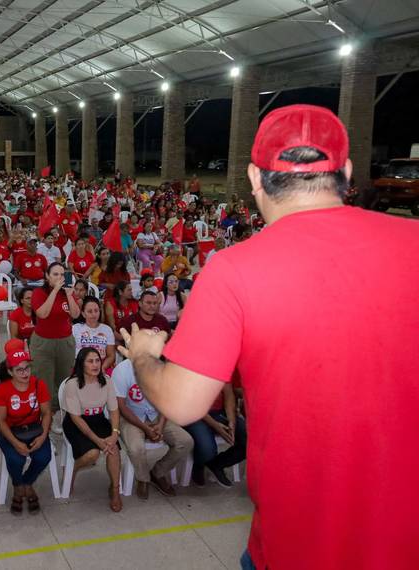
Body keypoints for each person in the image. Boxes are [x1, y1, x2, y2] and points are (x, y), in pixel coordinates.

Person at [122, 104, 419, 569]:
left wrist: (143, 357)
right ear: (346, 171)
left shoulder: (234, 269)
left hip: (295, 541)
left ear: (255, 178)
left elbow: (182, 404)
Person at [111, 357, 191, 500]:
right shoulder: (122, 370)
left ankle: (158, 473)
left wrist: (160, 425)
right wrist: (145, 428)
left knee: (185, 441)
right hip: (131, 416)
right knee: (136, 448)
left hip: (157, 414)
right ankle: (143, 478)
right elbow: (121, 406)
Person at [61, 347, 122, 512]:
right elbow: (76, 419)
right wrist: (98, 441)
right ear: (82, 364)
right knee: (92, 454)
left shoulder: (107, 381)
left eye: (97, 360)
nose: (95, 365)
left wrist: (114, 434)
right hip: (77, 423)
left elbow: (114, 410)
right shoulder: (72, 385)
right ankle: (73, 469)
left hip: (98, 420)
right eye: (90, 361)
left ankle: (115, 490)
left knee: (113, 448)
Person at [0, 349, 52, 515]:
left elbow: (47, 413)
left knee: (44, 456)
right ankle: (19, 487)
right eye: (19, 370)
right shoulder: (3, 390)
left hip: (34, 430)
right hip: (9, 432)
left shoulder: (39, 384)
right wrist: (16, 443)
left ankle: (25, 483)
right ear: (10, 372)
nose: (25, 373)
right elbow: (0, 421)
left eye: (27, 368)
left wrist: (43, 436)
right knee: (16, 458)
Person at [30, 262, 80, 416]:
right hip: (43, 342)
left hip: (65, 341)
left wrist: (70, 295)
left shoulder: (67, 293)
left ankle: (59, 411)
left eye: (61, 274)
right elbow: (42, 314)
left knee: (63, 378)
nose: (59, 278)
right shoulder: (39, 292)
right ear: (47, 276)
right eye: (55, 274)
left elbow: (76, 314)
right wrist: (55, 291)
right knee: (44, 379)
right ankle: (46, 414)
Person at [183, 382, 247, 488]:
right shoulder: (189, 369)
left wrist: (232, 421)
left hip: (218, 412)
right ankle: (199, 465)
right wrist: (217, 426)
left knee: (249, 441)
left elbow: (229, 395)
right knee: (207, 450)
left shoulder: (220, 367)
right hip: (194, 415)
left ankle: (217, 464)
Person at [72, 296, 116, 374]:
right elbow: (70, 354)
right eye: (90, 311)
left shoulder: (107, 329)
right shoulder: (75, 328)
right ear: (83, 314)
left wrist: (102, 367)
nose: (94, 314)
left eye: (96, 311)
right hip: (80, 366)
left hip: (101, 365)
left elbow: (111, 356)